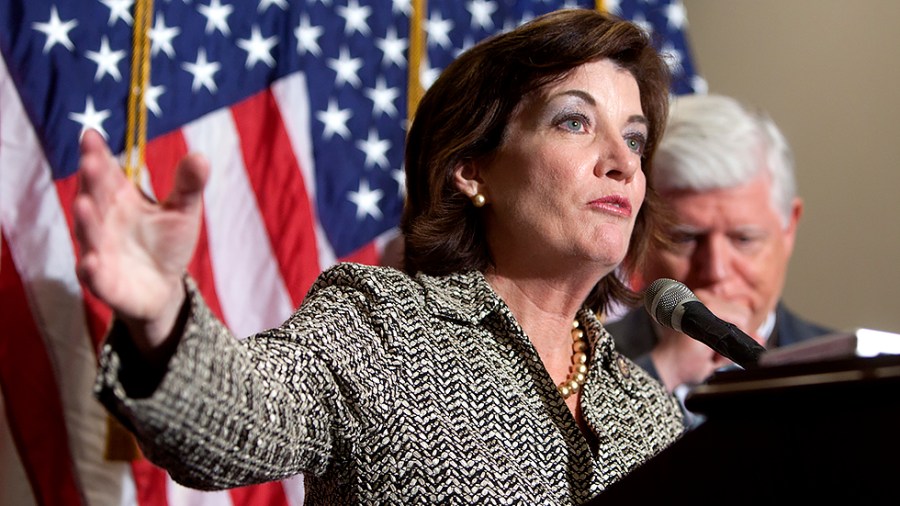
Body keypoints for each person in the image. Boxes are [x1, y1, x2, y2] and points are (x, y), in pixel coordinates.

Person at [76, 9, 684, 504]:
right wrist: (161, 316)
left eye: (634, 137)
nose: (624, 161)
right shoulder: (381, 328)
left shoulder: (649, 414)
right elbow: (238, 416)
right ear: (471, 170)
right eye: (575, 122)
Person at [608, 93, 833, 399]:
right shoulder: (581, 368)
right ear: (639, 234)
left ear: (789, 228)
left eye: (744, 240)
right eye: (685, 238)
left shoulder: (858, 372)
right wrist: (662, 370)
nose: (716, 270)